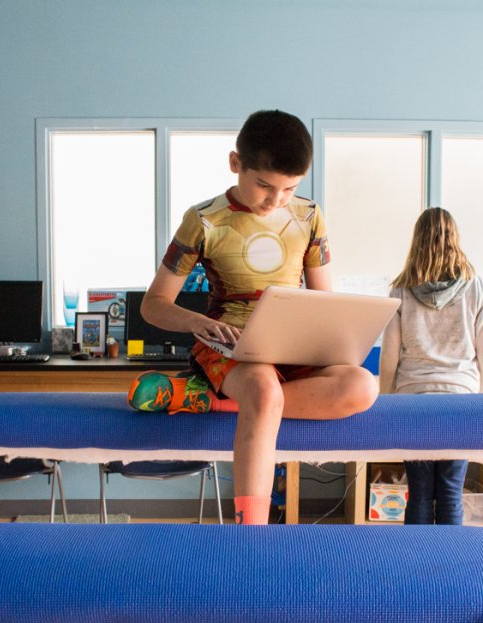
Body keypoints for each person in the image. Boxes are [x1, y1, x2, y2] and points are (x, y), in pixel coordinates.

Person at [134, 109, 378, 524]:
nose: (276, 200)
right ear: (236, 164)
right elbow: (153, 304)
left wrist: (333, 340)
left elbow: (325, 299)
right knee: (264, 392)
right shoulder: (203, 220)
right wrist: (197, 323)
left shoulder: (309, 216)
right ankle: (252, 534)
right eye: (264, 185)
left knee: (361, 386)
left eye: (289, 188)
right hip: (229, 346)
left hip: (290, 343)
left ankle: (205, 401)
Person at [378, 207, 483, 525]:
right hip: (460, 400)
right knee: (449, 491)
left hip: (413, 400)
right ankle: (449, 565)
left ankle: (415, 565)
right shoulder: (476, 287)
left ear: (417, 242)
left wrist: (384, 404)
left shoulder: (401, 289)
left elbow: (389, 358)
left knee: (418, 492)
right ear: (454, 240)